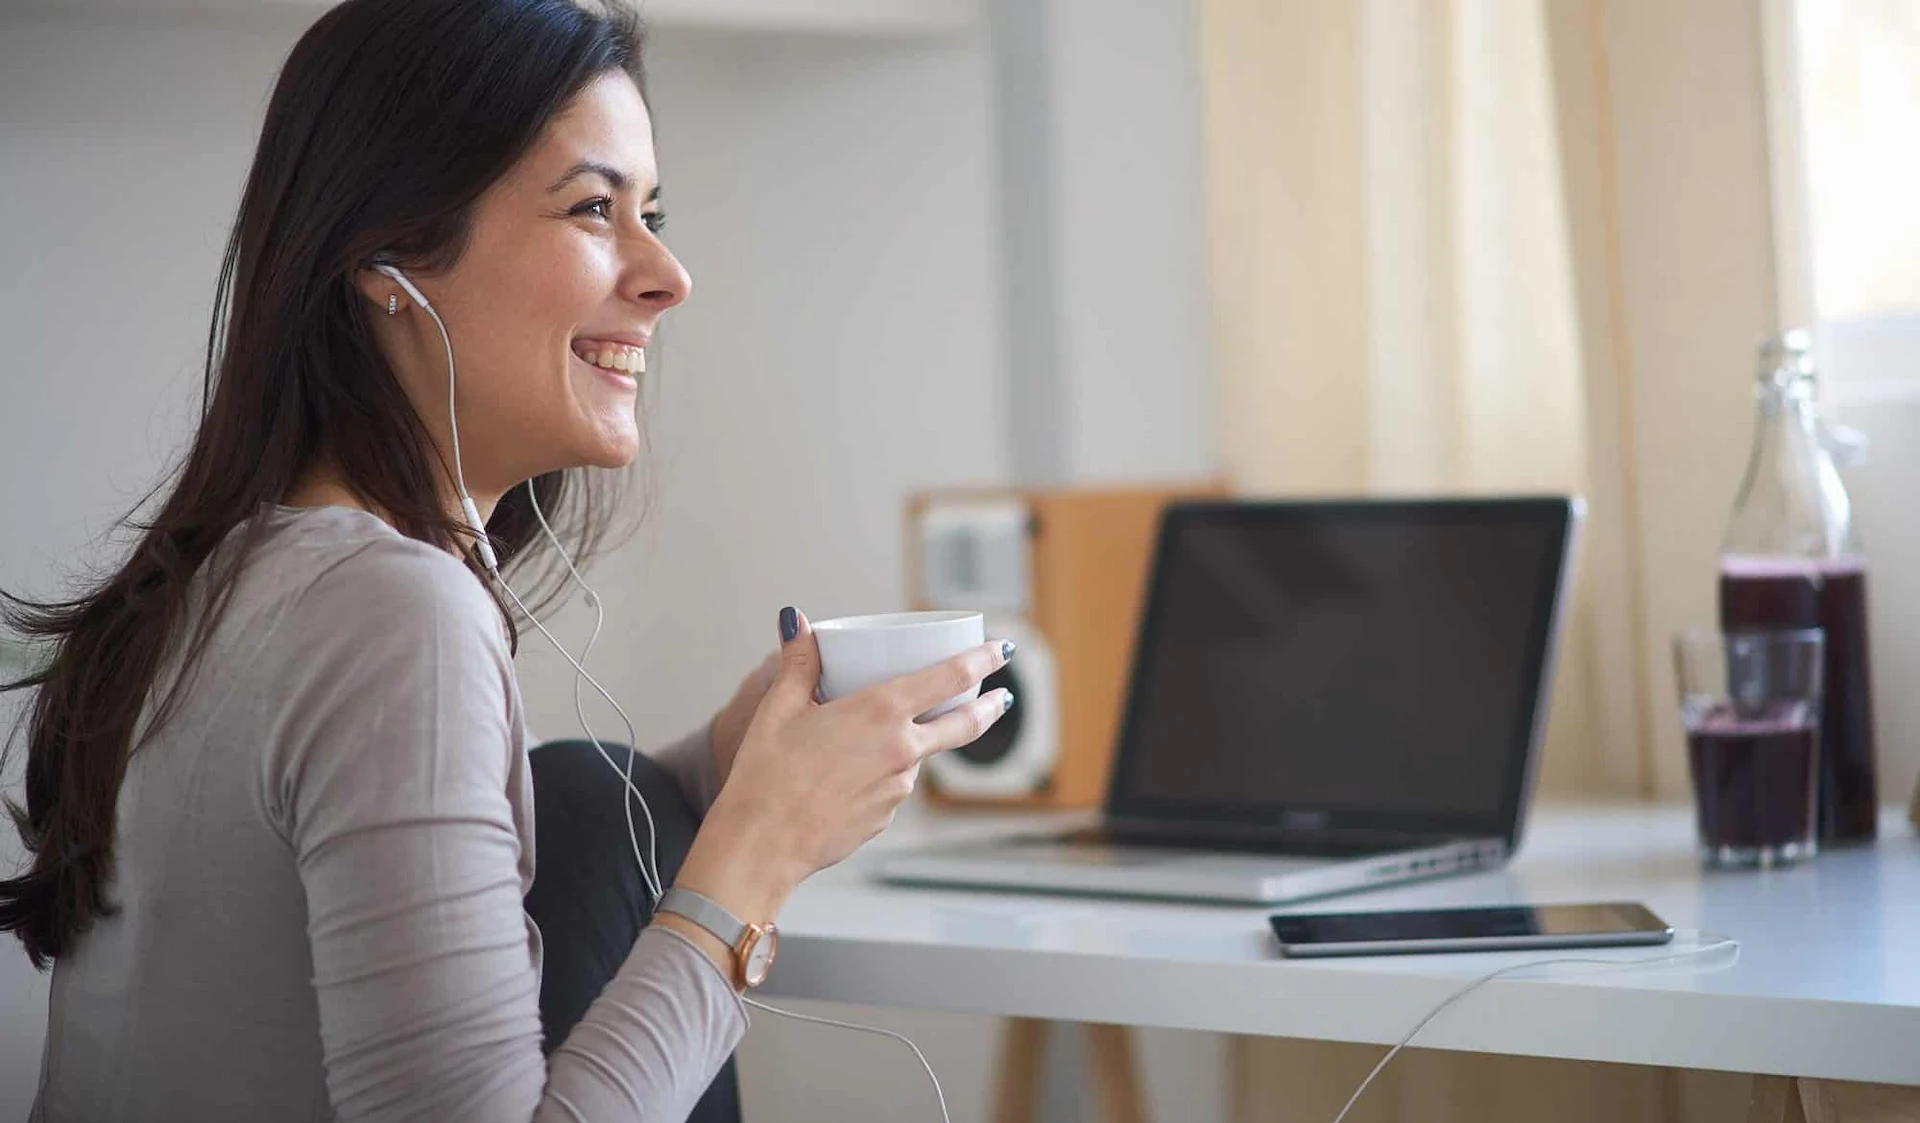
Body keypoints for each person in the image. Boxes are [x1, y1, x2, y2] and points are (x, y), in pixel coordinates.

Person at [0, 2, 1013, 1120]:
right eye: (594, 209)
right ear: (388, 255)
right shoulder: (390, 611)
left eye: (654, 213)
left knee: (594, 790)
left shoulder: (221, 585)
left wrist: (738, 760)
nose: (668, 273)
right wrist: (754, 867)